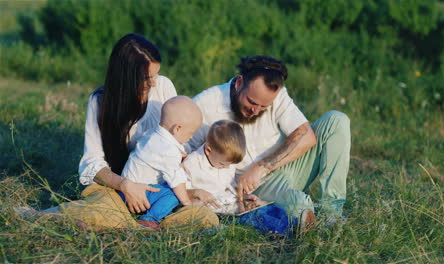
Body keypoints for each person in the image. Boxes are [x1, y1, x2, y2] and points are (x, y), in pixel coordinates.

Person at [36, 34, 218, 230]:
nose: (154, 83)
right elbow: (92, 163)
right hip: (121, 187)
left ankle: (137, 222)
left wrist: (181, 159)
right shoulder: (101, 102)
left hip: (162, 188)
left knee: (203, 215)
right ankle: (128, 221)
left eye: (156, 75)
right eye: (147, 79)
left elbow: (181, 137)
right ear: (126, 77)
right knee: (103, 208)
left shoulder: (163, 86)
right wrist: (125, 186)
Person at [188, 55, 351, 224]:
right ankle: (300, 211)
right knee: (299, 207)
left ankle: (332, 213)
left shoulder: (276, 95)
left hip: (285, 164)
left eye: (264, 107)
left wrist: (261, 166)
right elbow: (180, 152)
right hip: (254, 189)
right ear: (239, 83)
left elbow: (306, 136)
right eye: (251, 102)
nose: (255, 111)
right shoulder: (205, 104)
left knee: (336, 120)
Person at [184, 119, 316, 235]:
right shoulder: (192, 164)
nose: (226, 167)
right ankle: (290, 230)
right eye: (223, 164)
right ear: (208, 150)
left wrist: (242, 197)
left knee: (266, 208)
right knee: (256, 218)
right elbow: (181, 193)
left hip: (232, 204)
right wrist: (196, 193)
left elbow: (226, 186)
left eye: (230, 164)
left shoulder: (222, 159)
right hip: (220, 213)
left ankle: (297, 222)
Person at [119, 96, 204, 230]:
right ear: (177, 129)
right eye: (191, 133)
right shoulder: (168, 150)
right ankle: (149, 219)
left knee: (170, 186)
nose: (191, 137)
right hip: (138, 195)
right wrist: (186, 202)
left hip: (128, 187)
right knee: (174, 193)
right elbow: (176, 179)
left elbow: (156, 157)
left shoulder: (153, 134)